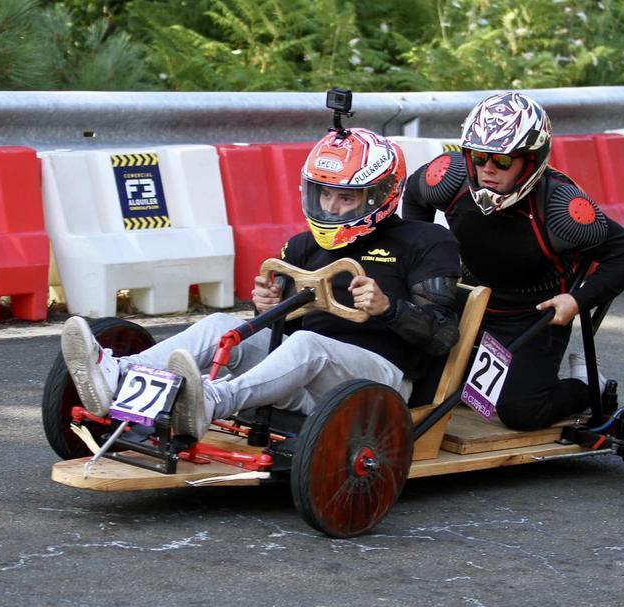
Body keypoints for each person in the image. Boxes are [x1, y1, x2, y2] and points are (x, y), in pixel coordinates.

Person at [62, 126, 463, 440]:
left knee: (309, 345)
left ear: (380, 194)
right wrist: (269, 308)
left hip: (380, 384)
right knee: (221, 325)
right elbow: (285, 330)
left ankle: (210, 401)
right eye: (324, 195)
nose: (331, 207)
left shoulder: (425, 241)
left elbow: (443, 337)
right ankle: (119, 374)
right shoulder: (303, 246)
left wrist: (388, 309)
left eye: (346, 199)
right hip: (303, 377)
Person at [402, 91, 624, 431]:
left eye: (502, 161)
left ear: (530, 161)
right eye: (479, 157)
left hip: (531, 317)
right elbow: (415, 197)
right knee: (413, 378)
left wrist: (577, 300)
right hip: (468, 301)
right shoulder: (448, 178)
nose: (487, 169)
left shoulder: (563, 210)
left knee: (520, 411)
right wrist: (422, 264)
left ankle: (586, 386)